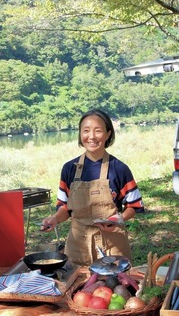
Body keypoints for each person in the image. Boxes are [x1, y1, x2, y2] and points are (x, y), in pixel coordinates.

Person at [41, 109, 144, 266]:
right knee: (77, 287)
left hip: (112, 246)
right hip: (78, 246)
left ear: (108, 134)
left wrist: (118, 219)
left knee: (116, 287)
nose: (92, 137)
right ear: (80, 134)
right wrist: (55, 219)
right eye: (86, 131)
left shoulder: (119, 169)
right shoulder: (69, 169)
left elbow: (134, 205)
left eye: (98, 131)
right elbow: (64, 207)